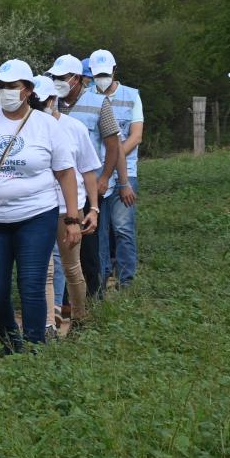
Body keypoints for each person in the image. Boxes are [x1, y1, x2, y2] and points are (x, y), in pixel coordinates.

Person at [0, 59, 79, 354]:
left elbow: (65, 173)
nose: (5, 92)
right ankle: (10, 342)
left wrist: (73, 218)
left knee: (31, 284)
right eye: (0, 87)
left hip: (36, 216)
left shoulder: (46, 125)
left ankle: (34, 348)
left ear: (27, 90)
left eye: (12, 86)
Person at [49, 54, 121, 307]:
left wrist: (104, 178)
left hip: (87, 187)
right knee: (60, 253)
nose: (56, 82)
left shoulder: (99, 103)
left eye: (61, 78)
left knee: (88, 250)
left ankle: (93, 300)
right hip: (56, 192)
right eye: (53, 78)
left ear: (76, 79)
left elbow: (113, 145)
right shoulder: (49, 103)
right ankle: (63, 303)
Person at [35, 75, 99, 332]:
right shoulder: (28, 129)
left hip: (68, 210)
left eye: (42, 102)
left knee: (72, 267)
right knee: (46, 270)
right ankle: (50, 324)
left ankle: (80, 318)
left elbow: (87, 170)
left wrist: (93, 208)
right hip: (39, 210)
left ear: (53, 100)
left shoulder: (75, 128)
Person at [75, 49, 142, 289]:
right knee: (99, 233)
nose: (102, 78)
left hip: (124, 172)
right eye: (97, 74)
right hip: (97, 178)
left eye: (106, 73)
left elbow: (135, 136)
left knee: (123, 227)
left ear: (115, 71)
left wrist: (117, 169)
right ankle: (101, 280)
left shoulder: (132, 96)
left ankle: (126, 280)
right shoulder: (83, 100)